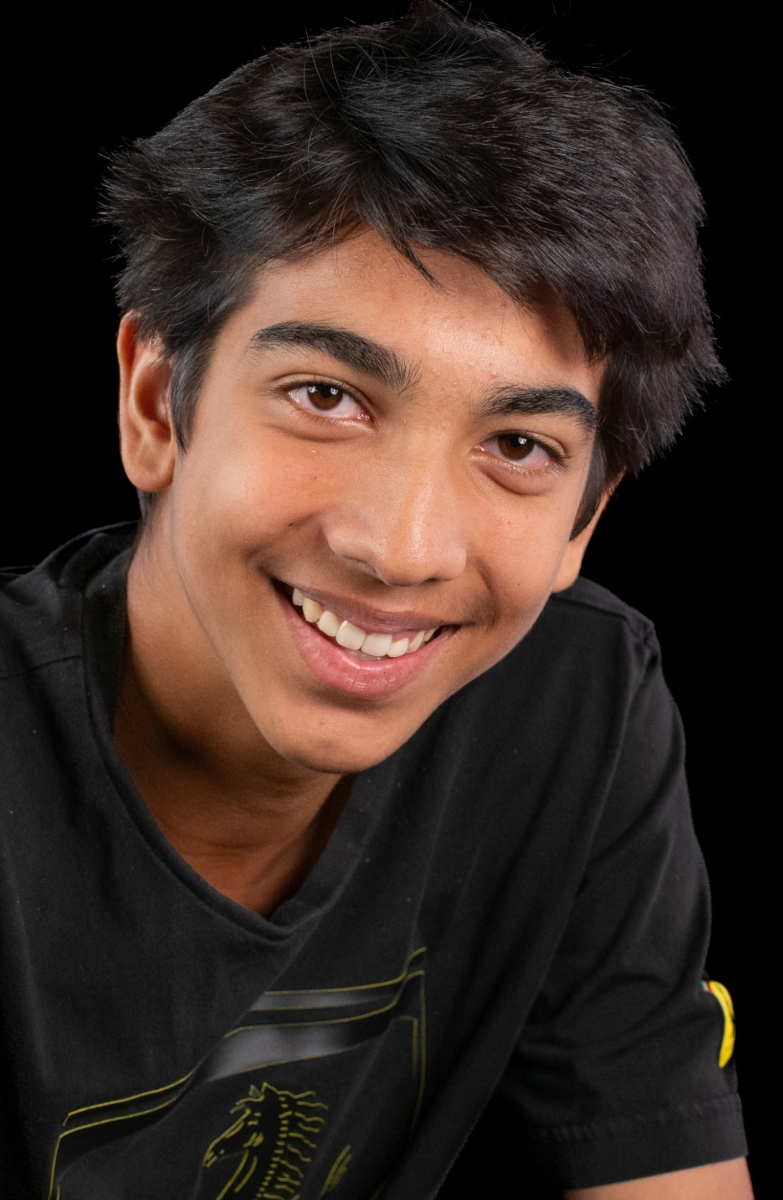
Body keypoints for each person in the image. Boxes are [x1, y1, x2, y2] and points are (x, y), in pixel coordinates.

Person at [0, 3, 752, 1196]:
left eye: (518, 446)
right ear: (155, 406)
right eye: (327, 397)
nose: (401, 550)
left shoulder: (574, 706)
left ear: (585, 519)